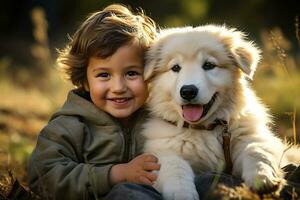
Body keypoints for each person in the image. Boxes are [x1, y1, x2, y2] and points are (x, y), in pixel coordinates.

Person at [28, 4, 162, 200]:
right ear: (84, 80)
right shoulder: (69, 126)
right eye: (104, 75)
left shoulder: (159, 119)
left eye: (131, 73)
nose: (118, 87)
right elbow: (43, 175)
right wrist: (115, 175)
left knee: (209, 181)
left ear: (150, 74)